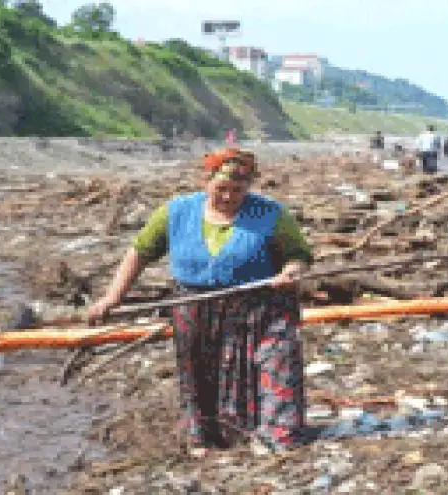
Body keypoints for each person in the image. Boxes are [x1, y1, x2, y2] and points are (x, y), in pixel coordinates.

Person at [87, 148, 313, 459]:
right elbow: (139, 252)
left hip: (260, 309)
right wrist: (113, 296)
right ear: (204, 181)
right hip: (197, 308)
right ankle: (209, 437)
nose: (229, 196)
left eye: (238, 190)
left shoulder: (272, 214)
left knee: (274, 364)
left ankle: (276, 435)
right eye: (221, 188)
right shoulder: (176, 212)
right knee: (201, 376)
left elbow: (299, 256)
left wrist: (290, 271)